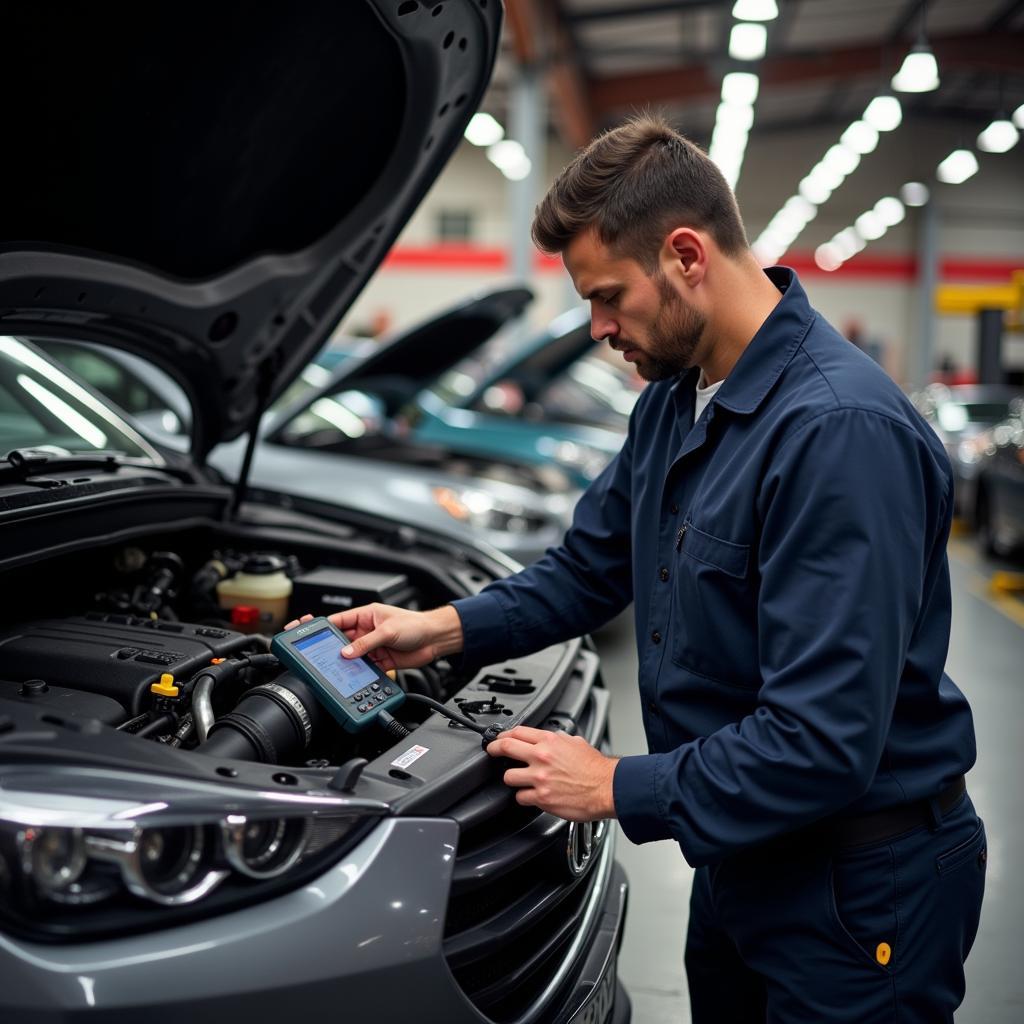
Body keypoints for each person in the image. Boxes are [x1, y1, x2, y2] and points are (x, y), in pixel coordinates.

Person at [288, 115, 984, 1022]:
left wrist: (616, 784)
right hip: (745, 856)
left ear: (687, 255)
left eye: (609, 295)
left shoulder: (837, 433)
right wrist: (440, 630)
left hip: (859, 889)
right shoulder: (674, 404)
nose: (598, 327)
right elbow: (587, 570)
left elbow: (823, 742)